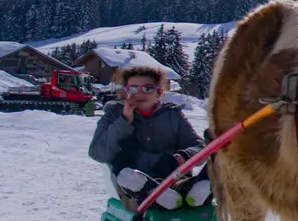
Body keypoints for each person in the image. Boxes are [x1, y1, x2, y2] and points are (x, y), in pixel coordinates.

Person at [88, 64, 210, 211]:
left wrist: (185, 155)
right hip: (133, 190)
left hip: (173, 178)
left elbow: (199, 147)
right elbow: (98, 153)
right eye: (132, 89)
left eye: (147, 88)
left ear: (158, 92)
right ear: (126, 92)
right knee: (129, 174)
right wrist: (124, 121)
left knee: (220, 162)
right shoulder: (113, 114)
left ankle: (193, 189)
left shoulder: (172, 115)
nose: (139, 94)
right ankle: (156, 192)